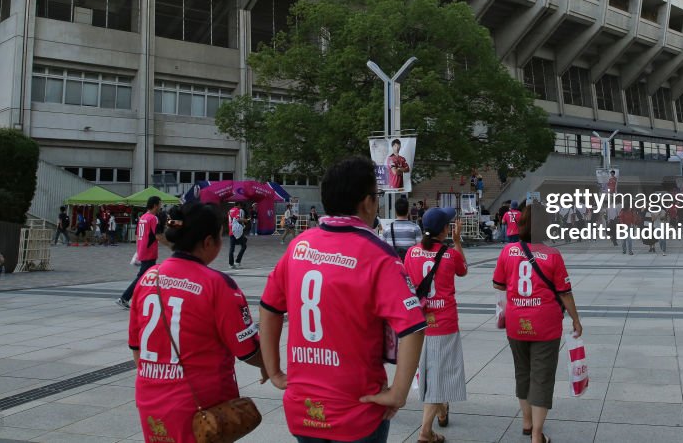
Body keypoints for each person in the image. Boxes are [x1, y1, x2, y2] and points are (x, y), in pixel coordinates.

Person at [259, 156, 426, 443]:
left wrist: (273, 370)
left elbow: (269, 308)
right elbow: (413, 327)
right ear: (367, 202)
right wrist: (398, 393)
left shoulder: (300, 246)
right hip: (357, 410)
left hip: (303, 409)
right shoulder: (377, 255)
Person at [129, 202, 267, 443]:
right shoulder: (217, 284)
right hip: (200, 406)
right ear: (207, 242)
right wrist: (271, 366)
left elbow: (136, 347)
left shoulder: (148, 280)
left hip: (150, 400)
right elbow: (247, 349)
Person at [493, 206, 583, 443]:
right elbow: (565, 292)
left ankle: (526, 422)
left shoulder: (507, 251)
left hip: (516, 322)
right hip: (546, 324)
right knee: (542, 376)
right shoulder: (552, 254)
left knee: (522, 372)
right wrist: (575, 318)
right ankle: (537, 434)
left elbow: (499, 284)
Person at [403, 208, 468, 443]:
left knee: (430, 372)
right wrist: (458, 241)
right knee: (439, 377)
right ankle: (425, 432)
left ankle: (442, 411)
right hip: (444, 322)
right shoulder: (450, 255)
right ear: (444, 230)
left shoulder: (411, 253)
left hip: (418, 323)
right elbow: (463, 271)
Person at [117, 196, 163, 309]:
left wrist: (139, 249)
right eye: (160, 204)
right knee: (143, 277)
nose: (160, 207)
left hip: (143, 250)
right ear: (155, 205)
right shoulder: (153, 218)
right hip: (149, 252)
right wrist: (172, 244)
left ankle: (142, 299)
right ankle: (124, 298)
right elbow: (158, 236)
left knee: (147, 276)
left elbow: (138, 235)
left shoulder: (143, 217)